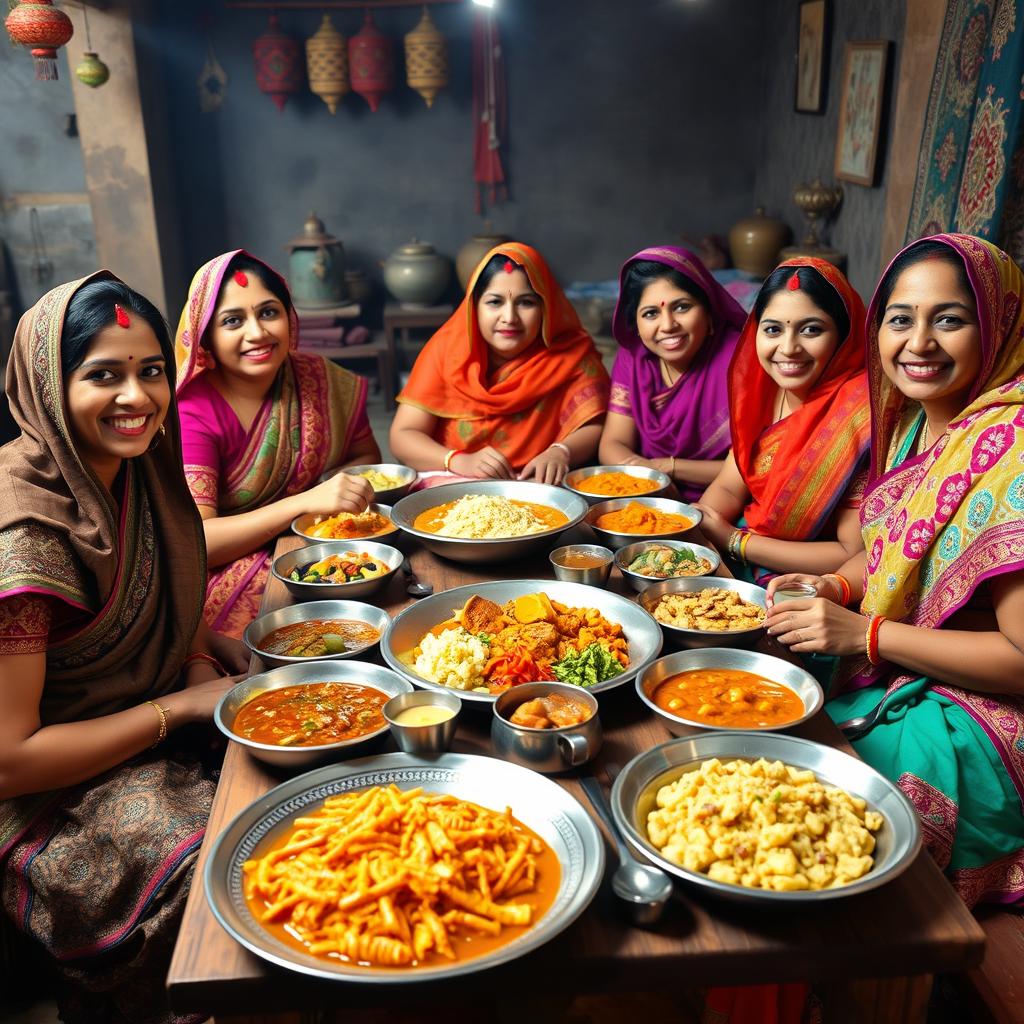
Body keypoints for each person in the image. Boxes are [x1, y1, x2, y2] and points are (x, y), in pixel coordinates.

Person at [0, 274, 247, 1023]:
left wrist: (202, 647)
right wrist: (180, 708)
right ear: (47, 385)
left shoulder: (140, 467)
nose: (137, 397)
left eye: (151, 371)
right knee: (226, 864)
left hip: (145, 711)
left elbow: (154, 592)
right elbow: (11, 757)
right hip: (48, 793)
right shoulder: (28, 537)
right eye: (103, 375)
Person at [765, 235, 1024, 906]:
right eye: (901, 319)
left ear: (998, 325)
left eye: (949, 319)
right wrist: (834, 586)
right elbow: (883, 559)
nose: (920, 343)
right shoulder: (916, 423)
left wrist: (865, 635)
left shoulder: (1012, 448)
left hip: (986, 709)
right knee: (759, 692)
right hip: (902, 662)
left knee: (828, 815)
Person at [175, 251, 379, 637]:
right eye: (233, 321)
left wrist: (329, 500)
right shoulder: (192, 410)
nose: (257, 333)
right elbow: (200, 541)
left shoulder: (320, 378)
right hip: (230, 566)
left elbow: (367, 458)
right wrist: (303, 503)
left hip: (314, 537)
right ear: (206, 336)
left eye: (269, 312)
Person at [696, 258, 870, 582]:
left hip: (811, 584)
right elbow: (728, 487)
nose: (788, 348)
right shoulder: (763, 392)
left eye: (811, 330)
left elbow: (851, 552)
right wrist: (704, 529)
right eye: (773, 329)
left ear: (843, 335)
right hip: (743, 552)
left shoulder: (857, 416)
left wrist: (735, 540)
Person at [390, 242, 608, 485]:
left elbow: (595, 423)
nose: (509, 318)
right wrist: (460, 461)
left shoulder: (573, 354)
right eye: (495, 302)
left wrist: (561, 452)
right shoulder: (446, 352)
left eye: (526, 302)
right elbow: (403, 436)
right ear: (474, 307)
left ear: (547, 307)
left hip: (540, 485)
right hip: (456, 481)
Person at [598, 246, 747, 501]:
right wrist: (649, 477)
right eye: (651, 313)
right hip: (648, 492)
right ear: (635, 323)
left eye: (681, 307)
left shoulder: (741, 360)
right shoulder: (634, 358)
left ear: (709, 312)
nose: (667, 325)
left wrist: (666, 468)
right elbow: (612, 444)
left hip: (730, 499)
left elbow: (750, 470)